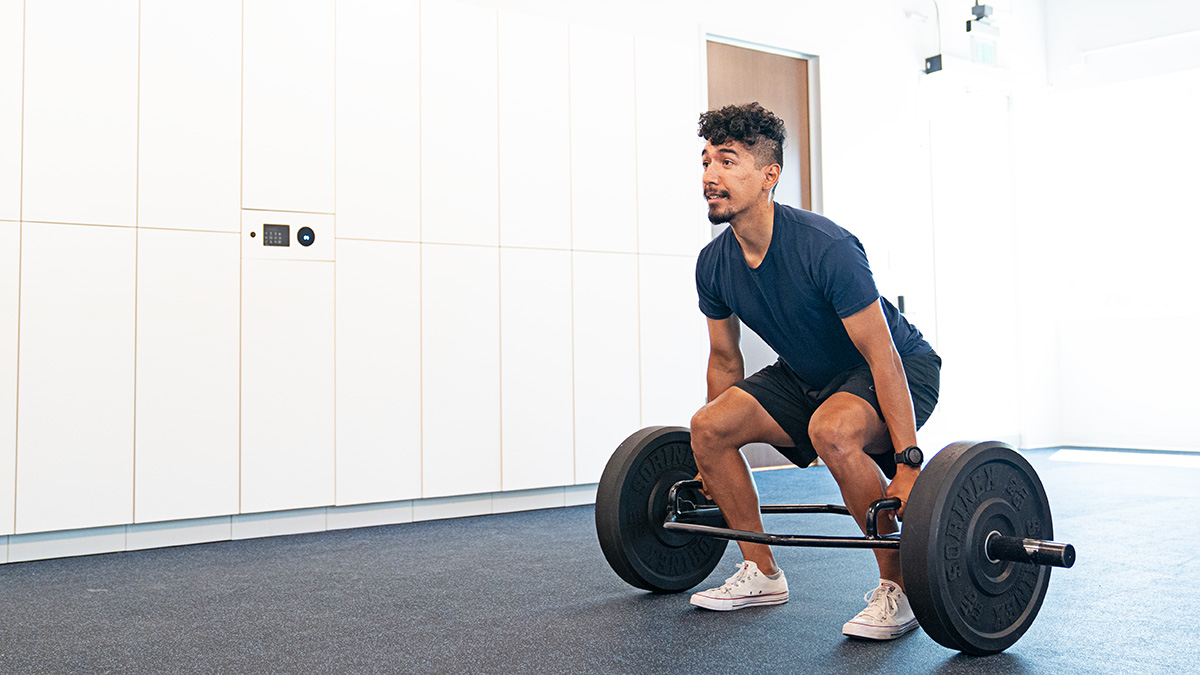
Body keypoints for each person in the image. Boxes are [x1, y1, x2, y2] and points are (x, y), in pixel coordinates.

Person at [687, 102, 941, 641]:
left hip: (899, 368)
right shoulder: (713, 264)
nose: (710, 176)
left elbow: (883, 356)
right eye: (706, 161)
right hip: (807, 374)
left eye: (728, 162)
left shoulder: (826, 247)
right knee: (707, 428)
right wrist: (707, 465)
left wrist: (908, 461)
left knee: (833, 429)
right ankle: (761, 571)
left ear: (769, 175)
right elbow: (725, 361)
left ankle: (897, 588)